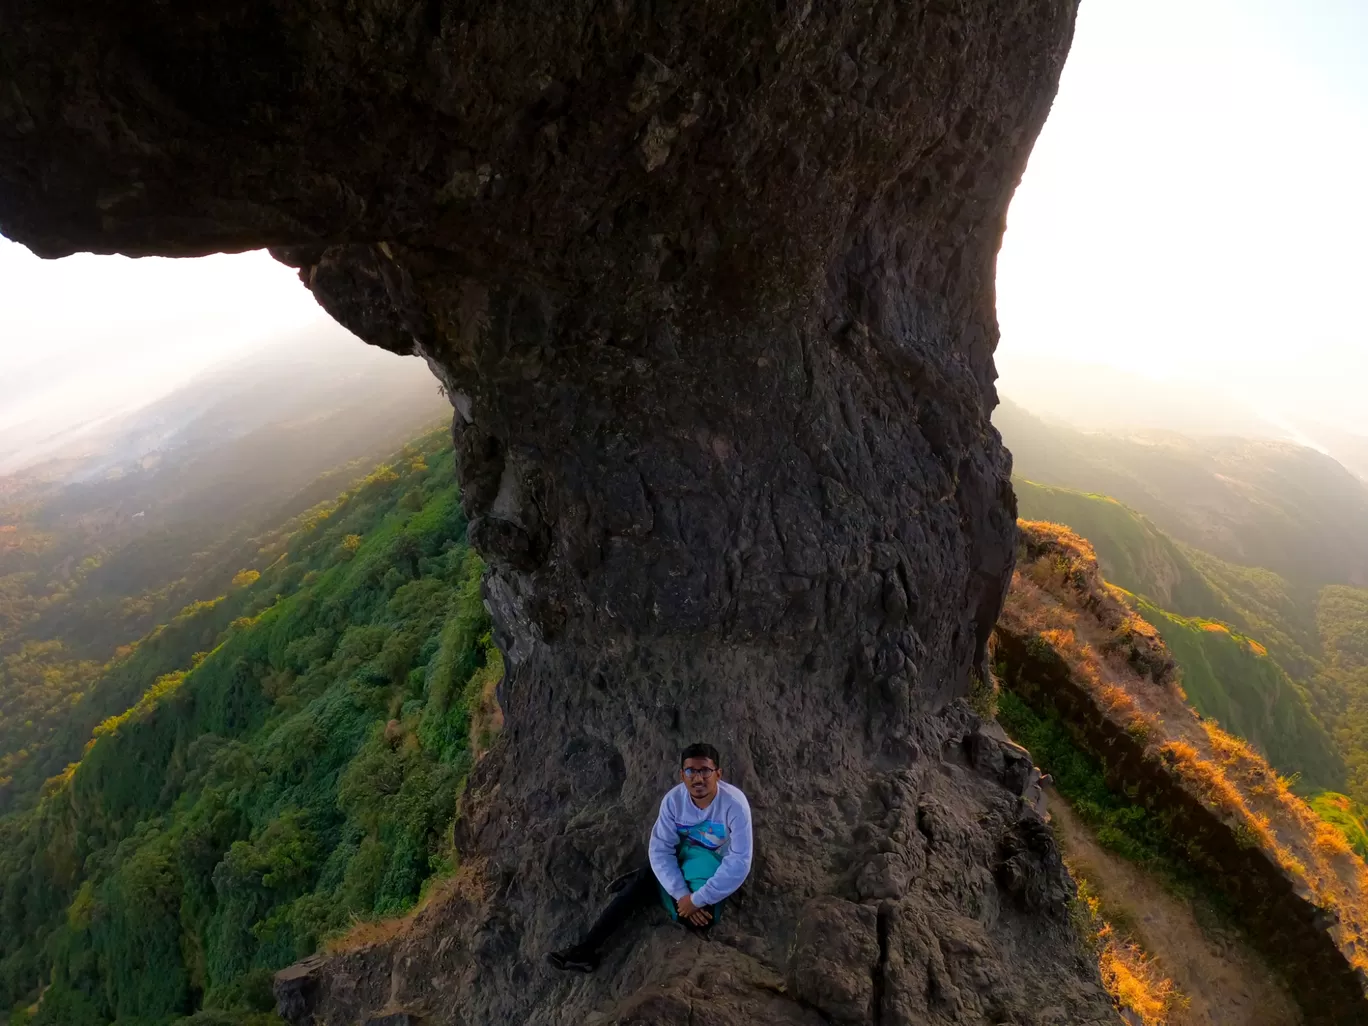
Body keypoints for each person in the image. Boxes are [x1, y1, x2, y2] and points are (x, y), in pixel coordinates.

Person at [546, 742, 753, 973]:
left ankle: (650, 880)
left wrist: (697, 900)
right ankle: (586, 949)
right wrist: (683, 895)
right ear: (682, 775)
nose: (698, 778)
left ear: (718, 774)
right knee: (650, 884)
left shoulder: (734, 804)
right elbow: (660, 849)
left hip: (710, 862)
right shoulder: (674, 801)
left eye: (705, 770)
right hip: (682, 854)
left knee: (700, 919)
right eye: (690, 771)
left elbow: (739, 862)